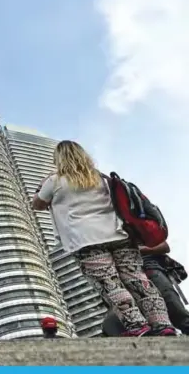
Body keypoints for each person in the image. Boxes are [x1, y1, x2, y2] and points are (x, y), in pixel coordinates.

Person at [32, 140, 175, 337]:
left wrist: (42, 185)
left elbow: (37, 204)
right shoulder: (102, 178)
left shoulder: (55, 180)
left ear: (58, 159)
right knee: (138, 279)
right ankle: (163, 325)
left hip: (86, 240)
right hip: (120, 235)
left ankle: (137, 326)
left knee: (110, 284)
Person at [102, 242, 189, 336]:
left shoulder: (129, 230)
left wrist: (130, 249)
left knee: (170, 300)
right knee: (115, 319)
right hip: (115, 275)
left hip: (147, 265)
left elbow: (164, 246)